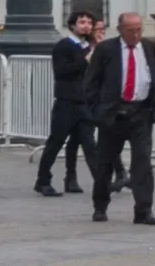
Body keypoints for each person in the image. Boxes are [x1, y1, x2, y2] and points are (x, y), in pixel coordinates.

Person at [82, 12, 155, 225]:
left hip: (140, 113)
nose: (135, 35)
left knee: (143, 161)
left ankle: (143, 210)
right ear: (120, 30)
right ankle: (100, 205)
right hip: (113, 114)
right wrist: (96, 112)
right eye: (131, 31)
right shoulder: (107, 50)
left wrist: (153, 105)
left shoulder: (149, 48)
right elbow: (92, 82)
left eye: (139, 30)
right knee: (105, 163)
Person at [35, 10, 98, 197]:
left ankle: (98, 181)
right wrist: (85, 61)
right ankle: (43, 180)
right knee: (56, 142)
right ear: (73, 25)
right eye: (82, 22)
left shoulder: (90, 47)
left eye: (89, 22)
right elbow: (62, 72)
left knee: (89, 144)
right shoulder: (64, 46)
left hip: (85, 103)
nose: (86, 26)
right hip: (66, 102)